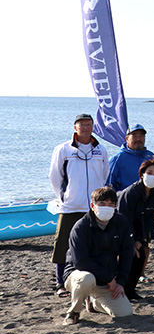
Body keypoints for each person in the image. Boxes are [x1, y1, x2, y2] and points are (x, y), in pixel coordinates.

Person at [50, 113, 111, 297]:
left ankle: (93, 280)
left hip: (93, 208)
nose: (85, 128)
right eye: (81, 125)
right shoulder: (63, 149)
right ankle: (60, 282)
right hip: (70, 206)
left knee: (94, 244)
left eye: (88, 124)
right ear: (75, 127)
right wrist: (64, 197)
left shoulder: (101, 150)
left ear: (93, 127)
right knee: (62, 243)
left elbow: (105, 176)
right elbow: (55, 176)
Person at [62, 186, 134, 325]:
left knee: (125, 313)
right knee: (86, 279)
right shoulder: (81, 227)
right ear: (92, 206)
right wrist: (108, 277)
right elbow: (81, 261)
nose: (106, 207)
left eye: (110, 204)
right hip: (79, 275)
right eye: (102, 204)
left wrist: (120, 282)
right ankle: (74, 312)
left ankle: (94, 303)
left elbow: (127, 253)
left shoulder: (121, 222)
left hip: (106, 280)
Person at [116, 159, 154, 301]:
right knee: (128, 255)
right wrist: (131, 241)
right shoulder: (131, 192)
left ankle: (130, 291)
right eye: (149, 173)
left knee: (141, 256)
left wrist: (140, 240)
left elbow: (150, 218)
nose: (153, 176)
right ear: (142, 174)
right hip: (120, 227)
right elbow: (124, 219)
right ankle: (118, 289)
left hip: (141, 226)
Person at [107, 124, 154, 191]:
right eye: (134, 135)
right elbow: (109, 184)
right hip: (126, 199)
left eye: (141, 136)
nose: (138, 139)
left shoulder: (151, 157)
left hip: (149, 200)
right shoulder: (118, 159)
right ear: (127, 139)